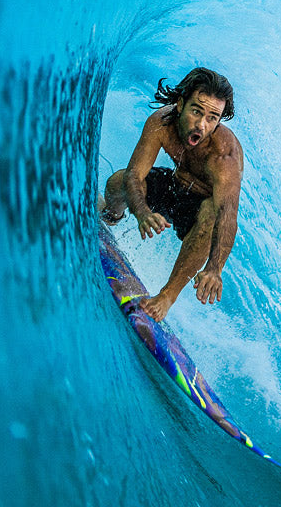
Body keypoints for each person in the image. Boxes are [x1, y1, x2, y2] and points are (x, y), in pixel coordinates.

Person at [100, 67, 243, 320]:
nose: (202, 124)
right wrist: (143, 213)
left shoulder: (224, 157)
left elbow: (228, 215)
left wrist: (214, 268)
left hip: (197, 214)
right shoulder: (162, 124)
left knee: (211, 213)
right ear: (180, 104)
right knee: (118, 182)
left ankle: (166, 296)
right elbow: (135, 175)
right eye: (197, 111)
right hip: (173, 186)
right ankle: (109, 217)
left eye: (212, 118)